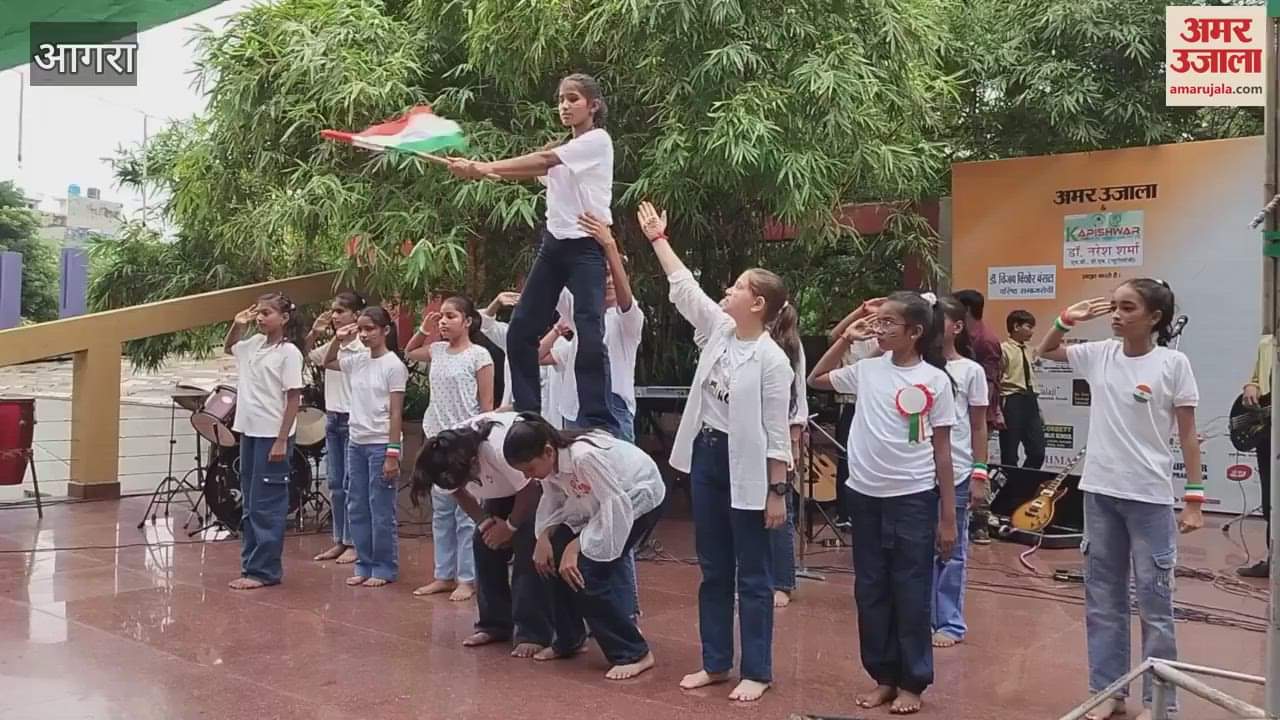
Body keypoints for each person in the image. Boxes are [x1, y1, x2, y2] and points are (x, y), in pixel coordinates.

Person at [637, 201, 791, 703]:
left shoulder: (772, 360)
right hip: (705, 457)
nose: (727, 292)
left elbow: (776, 431)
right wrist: (659, 239)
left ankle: (758, 670)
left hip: (745, 465)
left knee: (754, 570)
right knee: (713, 567)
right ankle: (716, 662)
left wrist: (776, 492)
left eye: (738, 287)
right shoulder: (720, 332)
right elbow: (685, 290)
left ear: (759, 304)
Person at [1037, 279, 1204, 720]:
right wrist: (1064, 320)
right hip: (1100, 495)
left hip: (1148, 499)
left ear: (1154, 318)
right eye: (1113, 307)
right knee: (1103, 601)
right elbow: (1045, 350)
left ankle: (1160, 702)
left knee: (1155, 604)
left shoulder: (1173, 363)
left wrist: (1194, 499)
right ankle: (1107, 692)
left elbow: (1188, 433)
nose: (1115, 315)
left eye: (1127, 308)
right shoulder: (1099, 354)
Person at [809, 291, 957, 716]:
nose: (880, 328)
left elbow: (943, 451)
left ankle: (913, 680)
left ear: (915, 332)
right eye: (879, 321)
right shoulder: (867, 370)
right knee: (870, 589)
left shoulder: (935, 380)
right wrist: (849, 330)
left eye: (890, 322)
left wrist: (948, 516)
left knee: (910, 590)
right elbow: (817, 378)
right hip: (865, 496)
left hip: (912, 497)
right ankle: (883, 677)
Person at [448, 73, 617, 433]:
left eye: (573, 99)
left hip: (586, 246)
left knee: (589, 330)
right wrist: (477, 171)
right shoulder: (565, 149)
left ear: (593, 105)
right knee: (520, 330)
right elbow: (531, 170)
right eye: (561, 100)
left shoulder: (597, 142)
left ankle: (598, 419)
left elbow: (542, 161)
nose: (565, 106)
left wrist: (483, 168)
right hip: (554, 246)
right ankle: (529, 414)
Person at [502, 413, 665, 680]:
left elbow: (615, 506)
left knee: (586, 574)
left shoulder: (583, 457)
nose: (528, 477)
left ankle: (634, 652)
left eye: (529, 469)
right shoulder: (550, 463)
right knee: (550, 557)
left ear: (547, 451)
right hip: (595, 505)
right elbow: (553, 501)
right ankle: (569, 638)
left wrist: (577, 546)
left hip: (636, 502)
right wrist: (543, 537)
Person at [412, 411, 553, 658]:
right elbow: (458, 492)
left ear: (472, 462)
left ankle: (533, 632)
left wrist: (509, 527)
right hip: (502, 489)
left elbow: (530, 488)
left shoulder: (496, 447)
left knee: (526, 548)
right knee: (483, 544)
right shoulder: (443, 455)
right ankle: (494, 624)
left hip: (533, 484)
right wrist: (486, 524)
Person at [405, 296, 496, 601]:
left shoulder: (479, 355)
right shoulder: (437, 350)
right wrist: (423, 328)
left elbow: (486, 405)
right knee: (441, 512)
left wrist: (478, 443)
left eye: (450, 316)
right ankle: (443, 574)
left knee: (465, 513)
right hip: (435, 439)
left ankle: (467, 578)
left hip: (464, 439)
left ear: (468, 321)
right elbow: (408, 351)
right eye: (441, 316)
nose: (443, 322)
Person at [222, 292, 306, 590]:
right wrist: (238, 323)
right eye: (258, 312)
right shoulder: (254, 345)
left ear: (283, 318)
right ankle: (250, 565)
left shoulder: (289, 353)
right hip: (250, 430)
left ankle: (264, 571)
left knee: (267, 504)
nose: (260, 318)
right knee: (250, 502)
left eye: (267, 313)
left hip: (273, 433)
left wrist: (282, 439)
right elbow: (229, 347)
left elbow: (294, 397)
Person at [322, 308, 407, 587]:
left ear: (385, 330)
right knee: (356, 504)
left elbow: (396, 412)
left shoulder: (393, 365)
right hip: (356, 441)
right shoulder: (357, 360)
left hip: (381, 443)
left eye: (370, 328)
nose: (365, 334)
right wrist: (338, 338)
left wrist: (392, 453)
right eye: (361, 329)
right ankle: (364, 562)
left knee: (380, 508)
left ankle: (383, 566)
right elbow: (329, 360)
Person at [932, 297, 989, 649]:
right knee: (917, 549)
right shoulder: (915, 367)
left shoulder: (971, 371)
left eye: (941, 319)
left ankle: (950, 621)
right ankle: (922, 615)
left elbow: (979, 426)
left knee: (951, 547)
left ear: (957, 327)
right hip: (918, 472)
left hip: (959, 469)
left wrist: (980, 472)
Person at [307, 291, 366, 564]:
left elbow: (330, 361)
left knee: (352, 484)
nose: (334, 316)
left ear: (355, 315)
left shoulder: (364, 348)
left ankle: (355, 542)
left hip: (354, 418)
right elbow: (308, 356)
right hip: (333, 417)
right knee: (335, 484)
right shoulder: (336, 345)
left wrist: (342, 339)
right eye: (332, 311)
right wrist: (319, 332)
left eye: (340, 311)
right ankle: (339, 540)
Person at [828, 298, 886, 526]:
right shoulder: (851, 338)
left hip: (876, 404)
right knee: (846, 458)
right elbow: (835, 335)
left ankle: (868, 511)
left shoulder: (884, 341)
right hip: (851, 403)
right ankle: (845, 513)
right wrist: (860, 310)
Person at [954, 289, 1003, 545]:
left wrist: (982, 414)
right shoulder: (966, 336)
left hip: (978, 417)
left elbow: (989, 384)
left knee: (978, 464)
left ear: (967, 310)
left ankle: (981, 521)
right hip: (964, 415)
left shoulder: (985, 340)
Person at [770, 315, 808, 609]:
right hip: (746, 438)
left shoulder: (791, 346)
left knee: (781, 513)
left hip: (781, 434)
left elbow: (799, 399)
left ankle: (782, 581)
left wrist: (794, 445)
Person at [479, 291, 558, 418]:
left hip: (550, 420)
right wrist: (497, 302)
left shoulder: (559, 341)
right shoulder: (513, 338)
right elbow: (484, 323)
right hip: (513, 417)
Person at [1239, 334, 1274, 578]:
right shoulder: (1267, 343)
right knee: (1271, 496)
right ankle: (1274, 560)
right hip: (1270, 431)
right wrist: (1252, 386)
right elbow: (1257, 379)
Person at [999, 309, 1046, 470]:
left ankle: (1024, 484)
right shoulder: (1003, 349)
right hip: (1012, 400)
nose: (1031, 332)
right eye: (1028, 327)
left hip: (1030, 400)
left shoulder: (1029, 350)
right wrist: (997, 410)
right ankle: (1009, 491)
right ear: (1016, 326)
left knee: (1037, 452)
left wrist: (1038, 409)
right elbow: (996, 379)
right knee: (1010, 454)